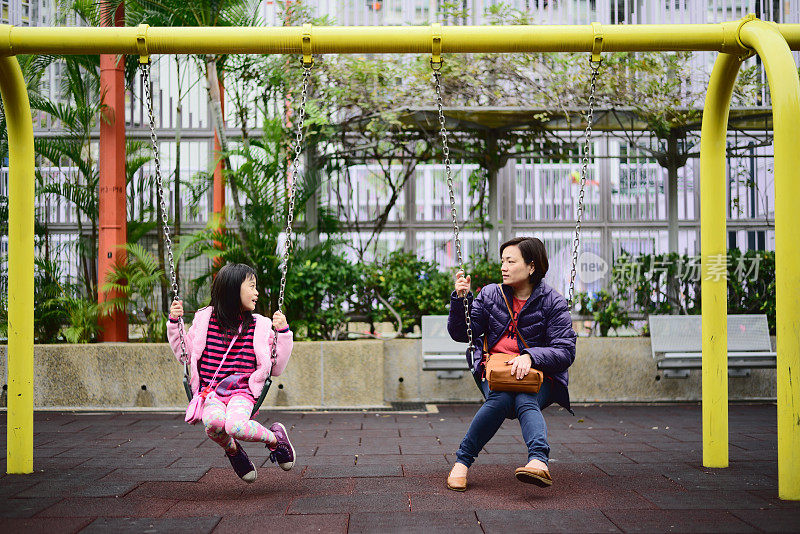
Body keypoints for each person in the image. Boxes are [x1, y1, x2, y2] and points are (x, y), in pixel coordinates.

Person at [446, 237, 577, 491]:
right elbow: (463, 334)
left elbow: (565, 351)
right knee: (502, 397)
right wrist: (461, 300)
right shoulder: (491, 294)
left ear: (531, 267)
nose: (503, 267)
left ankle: (533, 461)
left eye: (511, 261)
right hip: (494, 371)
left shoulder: (553, 301)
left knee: (522, 398)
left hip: (538, 376)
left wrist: (530, 356)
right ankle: (532, 461)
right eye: (502, 261)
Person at [167, 263, 295, 483]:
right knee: (214, 425)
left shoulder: (260, 326)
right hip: (211, 393)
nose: (257, 293)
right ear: (233, 289)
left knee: (235, 426)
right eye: (252, 286)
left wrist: (282, 333)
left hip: (241, 393)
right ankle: (234, 451)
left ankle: (276, 440)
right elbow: (185, 355)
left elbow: (276, 368)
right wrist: (173, 322)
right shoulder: (204, 320)